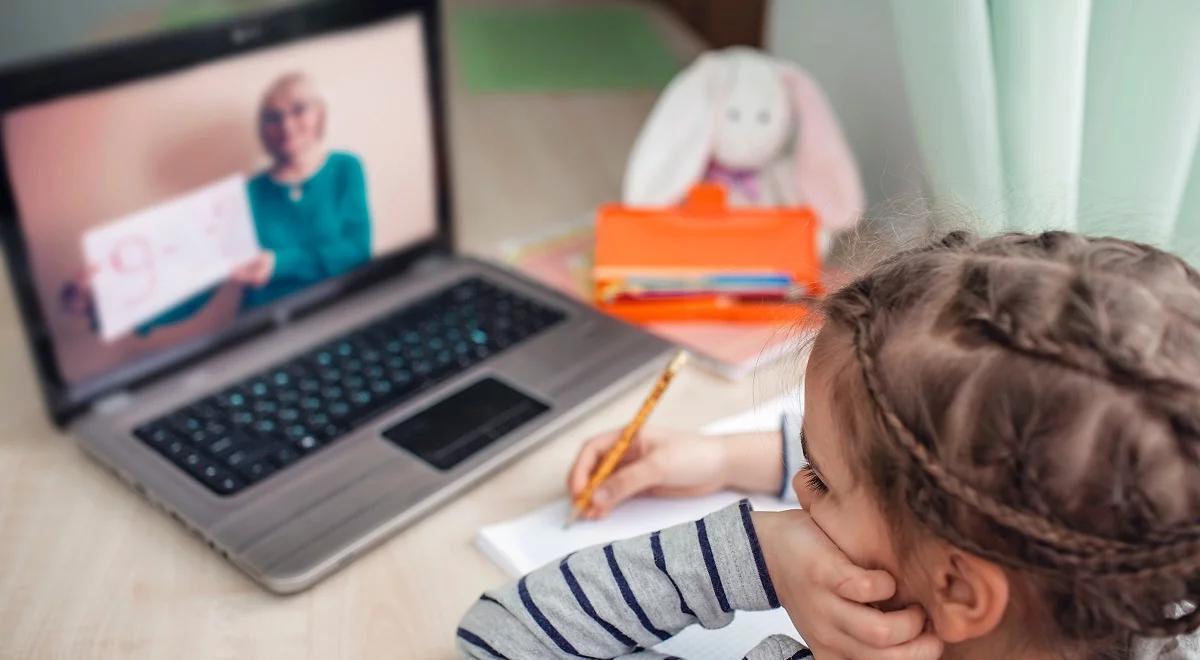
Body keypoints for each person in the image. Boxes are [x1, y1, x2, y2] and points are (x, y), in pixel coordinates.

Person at [457, 231, 1200, 659]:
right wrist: (729, 458)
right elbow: (932, 475)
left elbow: (499, 638)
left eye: (817, 476)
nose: (799, 490)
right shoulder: (1149, 591)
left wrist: (747, 554)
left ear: (959, 591)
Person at [138, 72, 371, 332]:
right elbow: (202, 280)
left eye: (298, 110)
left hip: (339, 317)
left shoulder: (346, 168)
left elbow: (356, 251)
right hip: (266, 329)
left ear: (319, 114)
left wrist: (278, 263)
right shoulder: (246, 194)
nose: (287, 125)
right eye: (273, 117)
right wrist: (128, 308)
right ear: (263, 129)